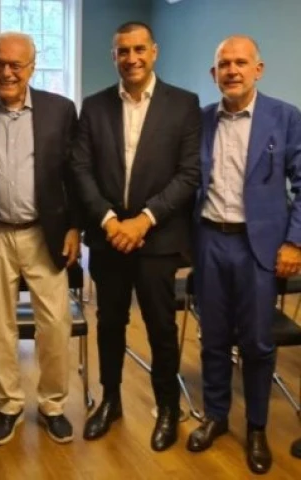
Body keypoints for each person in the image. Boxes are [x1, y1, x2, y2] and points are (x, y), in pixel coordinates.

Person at [71, 21, 201, 451]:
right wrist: (110, 222)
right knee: (109, 324)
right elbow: (81, 170)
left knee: (161, 327)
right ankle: (110, 401)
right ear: (114, 57)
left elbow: (188, 175)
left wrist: (143, 220)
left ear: (154, 51)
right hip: (108, 238)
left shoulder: (183, 105)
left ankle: (167, 408)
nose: (132, 58)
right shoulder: (94, 106)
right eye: (123, 51)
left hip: (157, 239)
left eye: (139, 49)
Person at [0, 32, 81, 446]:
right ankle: (7, 404)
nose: (6, 72)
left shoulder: (60, 110)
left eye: (16, 65)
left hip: (44, 233)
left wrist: (75, 226)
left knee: (55, 323)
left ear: (32, 67)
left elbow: (75, 174)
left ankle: (53, 404)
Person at [187, 35, 301, 475]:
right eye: (224, 64)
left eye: (240, 62)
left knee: (256, 342)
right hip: (210, 240)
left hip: (260, 247)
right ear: (213, 73)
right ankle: (216, 415)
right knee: (213, 338)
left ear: (258, 69)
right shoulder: (200, 121)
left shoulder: (285, 118)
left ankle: (256, 427)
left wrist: (294, 242)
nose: (232, 71)